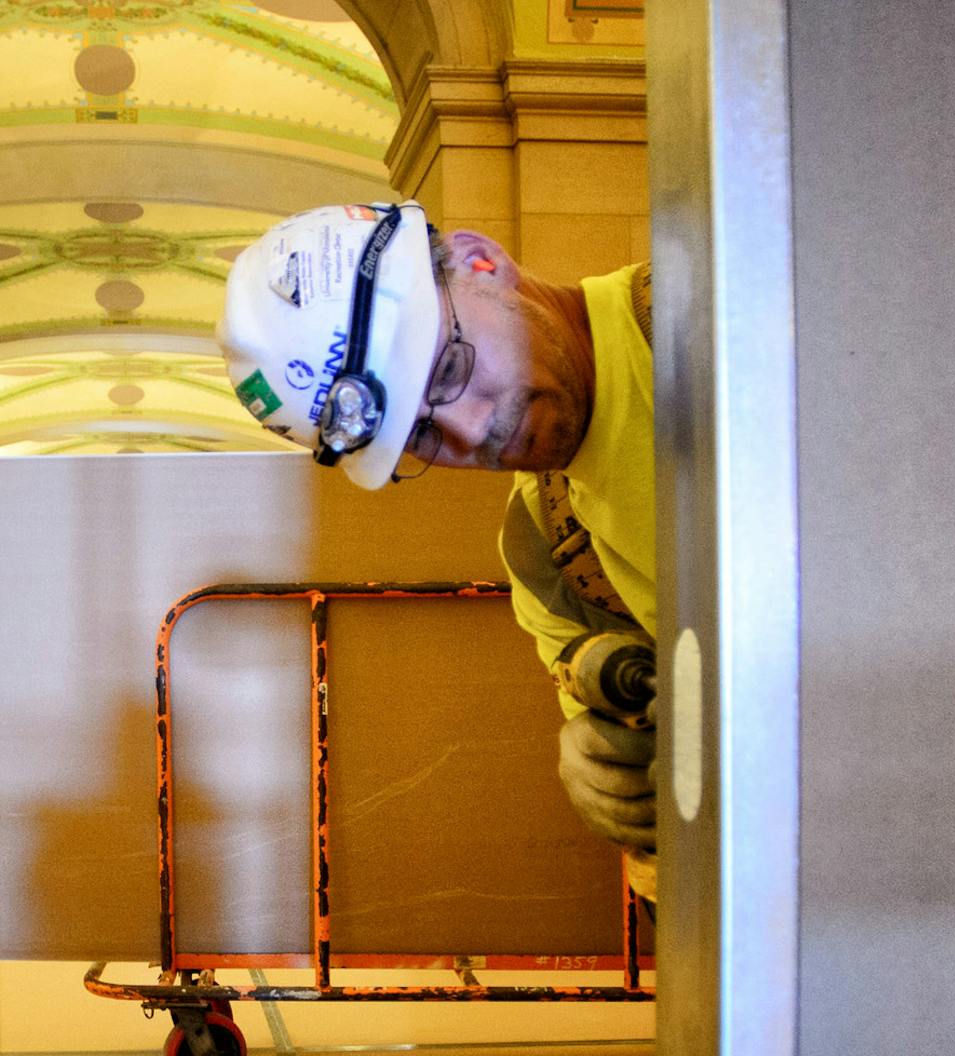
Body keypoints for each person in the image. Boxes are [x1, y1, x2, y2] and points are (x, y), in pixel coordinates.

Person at [214, 200, 658, 864]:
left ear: (484, 262)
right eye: (420, 435)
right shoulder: (551, 551)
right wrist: (597, 761)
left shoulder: (736, 310)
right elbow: (623, 729)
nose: (473, 432)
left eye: (448, 368)